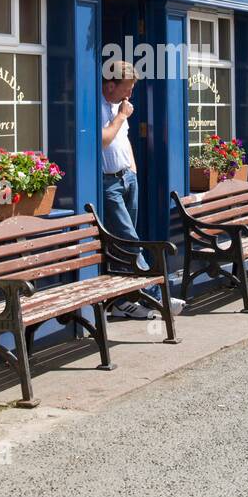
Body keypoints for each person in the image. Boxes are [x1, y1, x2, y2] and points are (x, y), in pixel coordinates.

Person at [100, 59, 186, 320]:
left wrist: (133, 170)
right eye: (127, 87)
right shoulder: (100, 106)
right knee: (131, 241)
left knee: (123, 246)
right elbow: (103, 140)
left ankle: (122, 301)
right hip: (109, 183)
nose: (130, 93)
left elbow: (122, 141)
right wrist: (121, 116)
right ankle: (157, 296)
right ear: (111, 84)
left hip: (127, 178)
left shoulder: (118, 106)